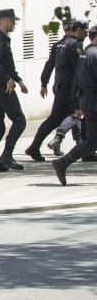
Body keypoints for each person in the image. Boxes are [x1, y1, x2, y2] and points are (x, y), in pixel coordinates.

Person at [26, 20, 88, 161]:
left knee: (55, 119)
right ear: (77, 30)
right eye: (84, 32)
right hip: (70, 88)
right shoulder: (75, 45)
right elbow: (79, 71)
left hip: (59, 86)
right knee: (77, 115)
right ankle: (64, 141)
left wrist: (44, 83)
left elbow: (49, 65)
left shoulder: (58, 44)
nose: (85, 35)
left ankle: (34, 147)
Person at [0, 9, 28, 171]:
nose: (14, 23)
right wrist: (8, 79)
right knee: (19, 120)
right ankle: (7, 154)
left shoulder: (4, 39)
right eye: (11, 20)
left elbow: (6, 65)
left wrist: (18, 80)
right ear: (2, 20)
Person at [52, 25, 97, 185]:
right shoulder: (95, 55)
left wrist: (77, 103)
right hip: (93, 102)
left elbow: (75, 79)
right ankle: (62, 162)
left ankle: (62, 162)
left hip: (86, 101)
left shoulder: (85, 54)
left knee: (92, 141)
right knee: (93, 141)